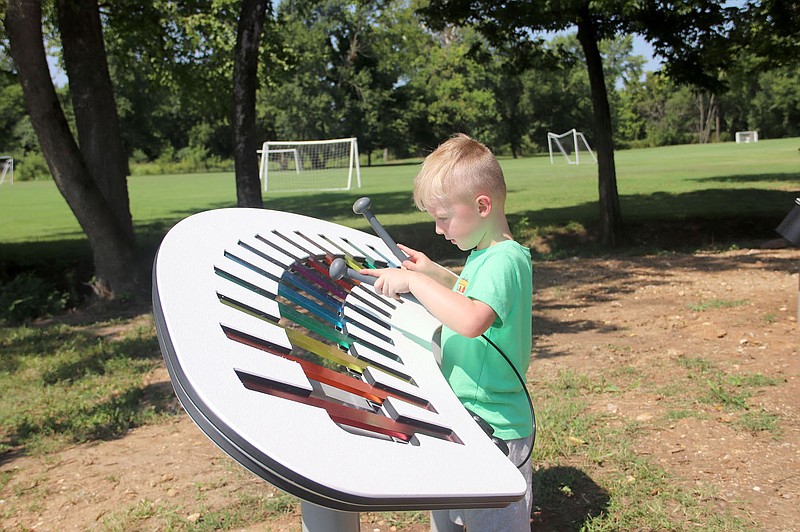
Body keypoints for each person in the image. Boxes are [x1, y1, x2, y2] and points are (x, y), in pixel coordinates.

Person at [360, 133, 534, 531]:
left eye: (443, 216)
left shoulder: (503, 261)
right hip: (472, 414)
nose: (438, 229)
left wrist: (417, 285)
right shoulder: (488, 255)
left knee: (495, 523)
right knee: (454, 510)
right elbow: (473, 296)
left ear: (482, 205)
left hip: (496, 426)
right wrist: (434, 273)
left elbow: (473, 320)